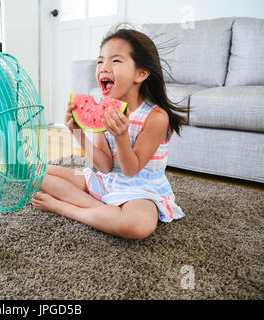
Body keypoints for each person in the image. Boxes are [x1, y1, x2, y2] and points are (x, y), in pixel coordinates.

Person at [32, 28, 188, 240]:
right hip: (107, 180)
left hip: (141, 189)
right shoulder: (106, 107)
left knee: (137, 226)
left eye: (115, 61)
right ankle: (103, 209)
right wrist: (77, 132)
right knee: (34, 172)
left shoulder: (156, 117)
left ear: (140, 74)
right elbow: (104, 166)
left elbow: (131, 170)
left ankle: (65, 208)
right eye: (100, 61)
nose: (104, 68)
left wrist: (121, 136)